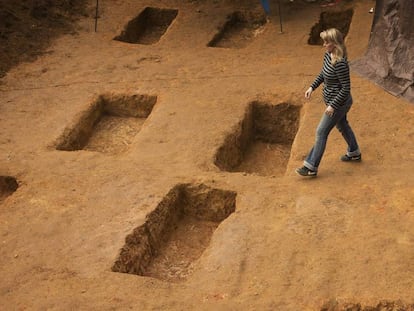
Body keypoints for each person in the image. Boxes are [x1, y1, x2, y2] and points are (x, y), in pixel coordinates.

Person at [296, 28, 361, 177]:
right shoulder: (328, 55)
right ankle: (354, 152)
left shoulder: (340, 63)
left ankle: (311, 166)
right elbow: (323, 73)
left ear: (335, 43)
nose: (324, 44)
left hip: (339, 104)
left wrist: (333, 105)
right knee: (342, 125)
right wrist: (312, 87)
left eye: (327, 42)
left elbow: (346, 88)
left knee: (321, 132)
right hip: (332, 102)